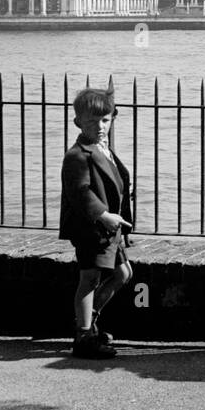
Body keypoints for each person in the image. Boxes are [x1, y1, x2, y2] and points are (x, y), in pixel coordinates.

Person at [59, 87, 134, 360]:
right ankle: (84, 337)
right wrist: (104, 215)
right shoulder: (77, 155)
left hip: (109, 230)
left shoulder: (102, 149)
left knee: (123, 274)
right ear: (78, 122)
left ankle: (89, 323)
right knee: (89, 279)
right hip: (91, 228)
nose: (100, 126)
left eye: (105, 120)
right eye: (91, 122)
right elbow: (80, 193)